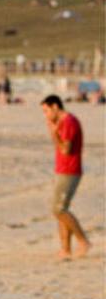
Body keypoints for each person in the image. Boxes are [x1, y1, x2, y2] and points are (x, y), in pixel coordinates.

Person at [41, 95, 90, 259]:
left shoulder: (69, 122)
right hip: (63, 169)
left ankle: (83, 241)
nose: (46, 115)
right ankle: (66, 249)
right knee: (61, 209)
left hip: (70, 170)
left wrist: (53, 134)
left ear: (55, 107)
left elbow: (65, 150)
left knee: (58, 209)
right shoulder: (63, 122)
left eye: (46, 111)